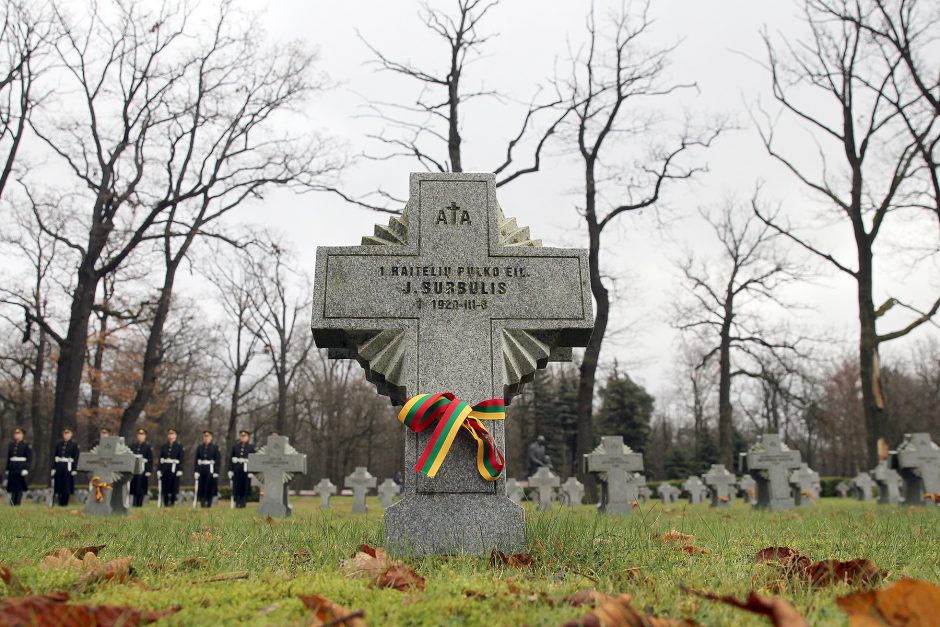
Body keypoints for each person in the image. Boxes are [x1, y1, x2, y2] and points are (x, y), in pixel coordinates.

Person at [51, 427, 80, 507]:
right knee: (59, 484)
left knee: (66, 485)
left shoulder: (74, 445)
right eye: (65, 433)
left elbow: (76, 457)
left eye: (68, 433)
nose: (66, 435)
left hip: (68, 466)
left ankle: (65, 502)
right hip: (60, 466)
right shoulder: (59, 443)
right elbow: (55, 456)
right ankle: (59, 501)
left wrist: (74, 469)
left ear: (71, 434)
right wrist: (53, 467)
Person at [5, 427, 32, 506]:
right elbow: (9, 458)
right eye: (16, 434)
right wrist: (7, 468)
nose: (17, 435)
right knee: (12, 485)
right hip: (12, 467)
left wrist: (26, 469)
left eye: (19, 434)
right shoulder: (11, 445)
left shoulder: (26, 445)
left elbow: (29, 458)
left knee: (19, 486)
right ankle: (12, 501)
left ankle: (18, 502)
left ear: (22, 435)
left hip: (21, 467)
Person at [228, 430, 255, 509]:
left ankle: (243, 502)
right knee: (237, 486)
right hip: (237, 470)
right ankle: (237, 502)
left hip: (246, 470)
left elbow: (254, 460)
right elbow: (230, 459)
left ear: (248, 437)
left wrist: (252, 471)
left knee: (245, 486)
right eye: (241, 436)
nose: (243, 438)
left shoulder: (251, 447)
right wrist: (230, 470)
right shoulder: (235, 447)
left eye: (244, 436)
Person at [158, 428, 184, 507]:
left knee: (173, 486)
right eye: (169, 434)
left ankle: (172, 502)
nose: (171, 436)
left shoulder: (179, 446)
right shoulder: (164, 446)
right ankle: (165, 502)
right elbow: (161, 458)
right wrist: (159, 469)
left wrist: (180, 469)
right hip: (165, 468)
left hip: (174, 468)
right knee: (165, 486)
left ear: (175, 436)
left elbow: (181, 459)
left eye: (172, 434)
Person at [195, 431, 221, 508]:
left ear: (211, 438)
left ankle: (209, 502)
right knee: (202, 486)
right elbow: (196, 460)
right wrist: (196, 471)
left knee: (210, 486)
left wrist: (216, 471)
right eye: (205, 437)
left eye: (208, 437)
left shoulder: (215, 448)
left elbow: (218, 460)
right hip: (202, 468)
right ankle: (202, 501)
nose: (206, 438)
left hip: (211, 469)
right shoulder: (199, 447)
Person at [129, 428, 152, 507]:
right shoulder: (133, 446)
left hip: (143, 468)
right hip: (135, 467)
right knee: (134, 485)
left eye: (142, 435)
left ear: (145, 436)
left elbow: (150, 459)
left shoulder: (147, 447)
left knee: (141, 486)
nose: (140, 436)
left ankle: (140, 503)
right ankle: (134, 502)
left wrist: (149, 470)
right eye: (139, 435)